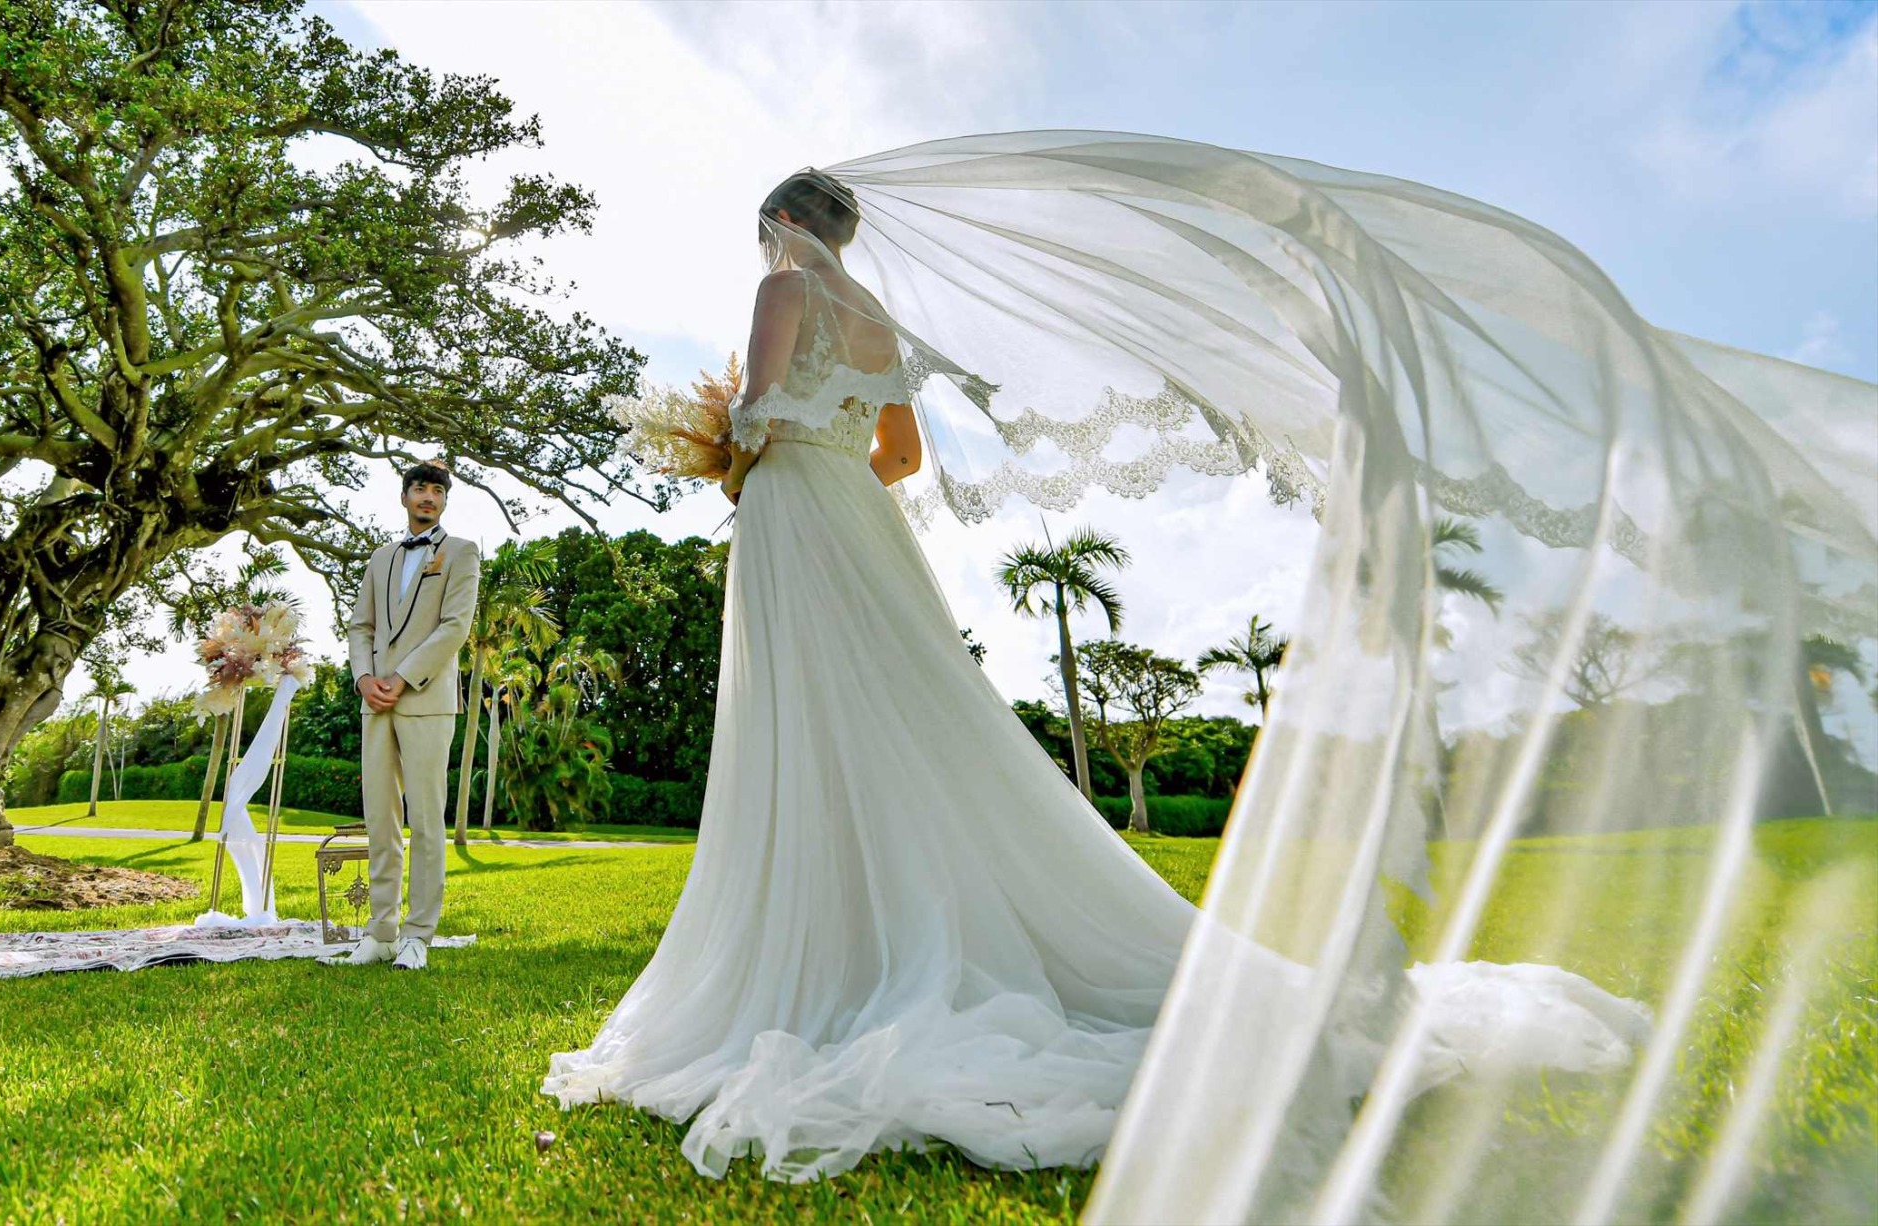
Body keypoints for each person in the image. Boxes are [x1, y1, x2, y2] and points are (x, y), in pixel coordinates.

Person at [542, 171, 1648, 1183]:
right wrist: (822, 452)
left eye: (767, 229)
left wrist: (728, 446)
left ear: (786, 225)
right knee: (913, 718)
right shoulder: (880, 319)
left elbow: (760, 409)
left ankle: (839, 943)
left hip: (794, 514)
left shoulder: (781, 286)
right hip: (859, 517)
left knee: (807, 721)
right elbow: (904, 460)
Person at [329, 462, 480, 972]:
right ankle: (382, 932)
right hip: (376, 704)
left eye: (437, 491)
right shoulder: (380, 558)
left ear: (444, 501)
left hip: (426, 700)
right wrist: (364, 679)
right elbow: (361, 626)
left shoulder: (460, 552)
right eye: (420, 488)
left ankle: (419, 934)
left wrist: (403, 676)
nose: (428, 497)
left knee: (426, 820)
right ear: (404, 496)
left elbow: (455, 626)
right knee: (381, 818)